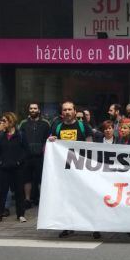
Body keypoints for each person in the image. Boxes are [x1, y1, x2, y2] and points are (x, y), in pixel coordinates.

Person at [49, 102, 95, 239]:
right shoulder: (57, 127)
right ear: (62, 113)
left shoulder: (83, 126)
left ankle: (93, 227)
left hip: (82, 169)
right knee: (67, 199)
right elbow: (53, 146)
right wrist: (52, 140)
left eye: (70, 109)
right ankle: (68, 226)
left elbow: (90, 145)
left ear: (75, 111)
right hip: (65, 171)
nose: (68, 112)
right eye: (65, 110)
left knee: (87, 199)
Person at [0, 112, 28, 224]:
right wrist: (0, 161)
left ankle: (21, 214)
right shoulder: (0, 135)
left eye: (4, 121)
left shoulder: (21, 134)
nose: (2, 123)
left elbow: (26, 150)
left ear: (11, 122)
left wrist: (18, 162)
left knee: (19, 192)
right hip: (4, 168)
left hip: (17, 168)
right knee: (2, 191)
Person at [17, 103, 50, 207]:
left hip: (40, 156)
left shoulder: (45, 123)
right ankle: (27, 199)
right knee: (27, 179)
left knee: (41, 178)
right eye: (31, 108)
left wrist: (44, 151)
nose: (33, 110)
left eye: (35, 108)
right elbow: (19, 138)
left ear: (38, 110)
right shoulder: (23, 123)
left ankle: (42, 199)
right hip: (26, 156)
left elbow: (49, 139)